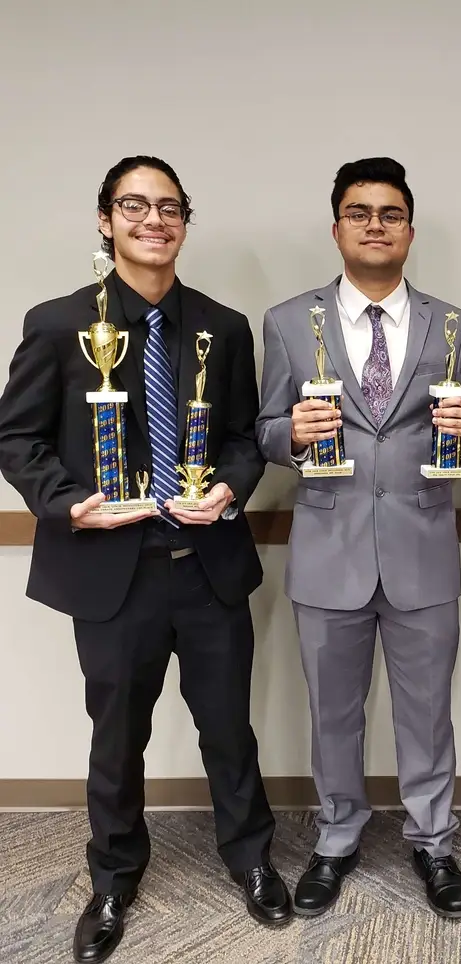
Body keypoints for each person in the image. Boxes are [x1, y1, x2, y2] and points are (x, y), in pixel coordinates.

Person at [0, 156, 291, 963]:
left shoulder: (222, 326)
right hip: (112, 572)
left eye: (169, 207)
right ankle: (113, 879)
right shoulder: (59, 325)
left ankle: (252, 860)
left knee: (228, 728)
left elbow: (243, 437)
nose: (153, 220)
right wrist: (67, 502)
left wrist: (227, 489)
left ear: (185, 223)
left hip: (207, 564)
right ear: (106, 220)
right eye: (134, 205)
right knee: (116, 735)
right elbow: (15, 438)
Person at [256, 156, 461, 919]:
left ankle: (434, 842)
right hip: (329, 551)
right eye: (359, 213)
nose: (375, 225)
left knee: (427, 712)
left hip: (423, 547)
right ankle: (336, 839)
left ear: (410, 231)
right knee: (333, 712)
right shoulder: (289, 322)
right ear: (337, 229)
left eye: (390, 214)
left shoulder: (453, 324)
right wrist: (290, 433)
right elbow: (264, 428)